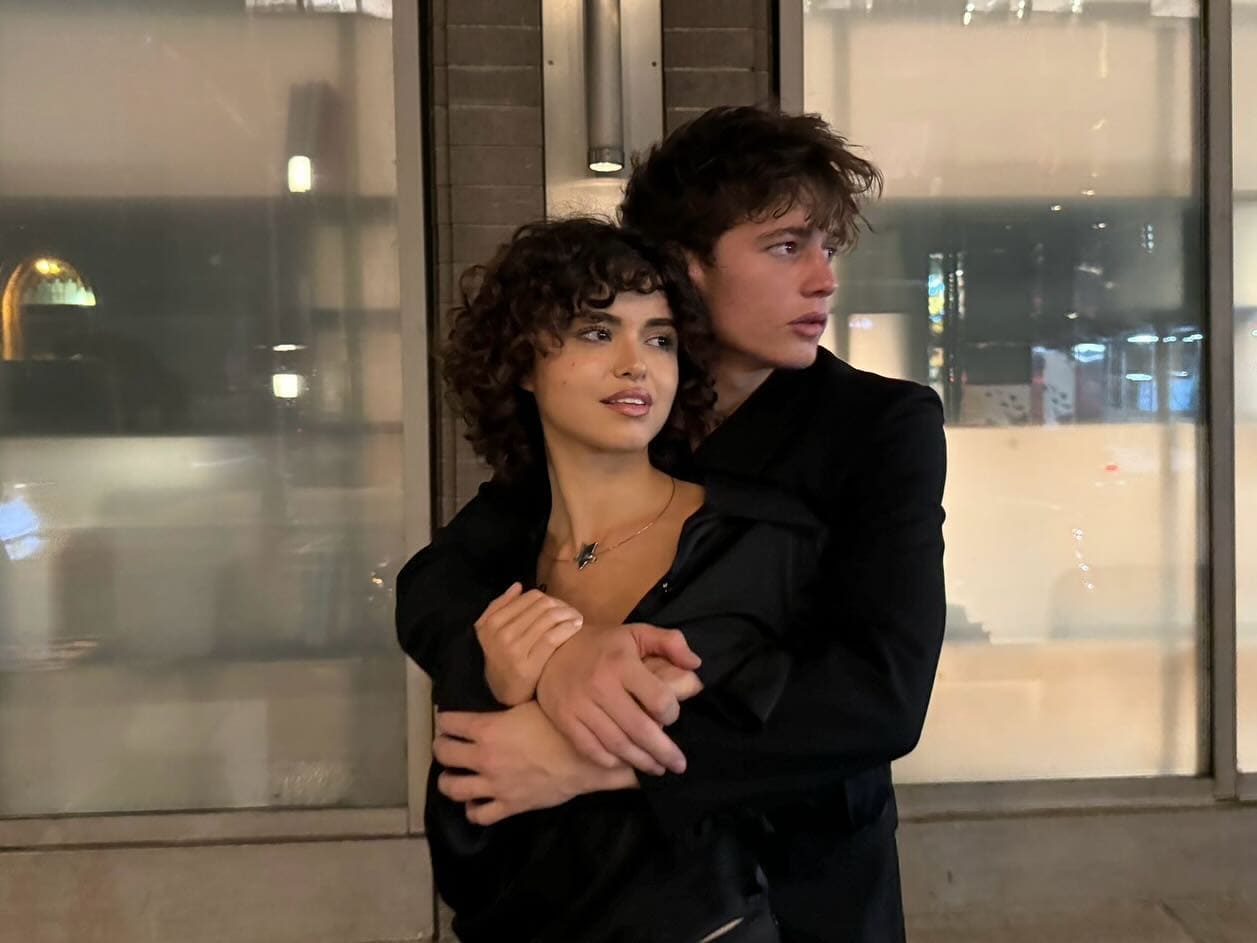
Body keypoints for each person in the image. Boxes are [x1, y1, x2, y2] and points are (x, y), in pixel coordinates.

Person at [398, 105, 948, 943]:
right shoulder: (623, 404)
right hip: (586, 895)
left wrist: (595, 756)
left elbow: (878, 695)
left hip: (803, 885)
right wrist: (557, 657)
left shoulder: (877, 424)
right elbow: (437, 582)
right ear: (687, 266)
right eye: (785, 246)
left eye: (827, 248)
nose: (822, 280)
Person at [418, 216, 828, 943]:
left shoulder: (763, 540)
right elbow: (464, 828)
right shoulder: (493, 568)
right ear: (521, 362)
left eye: (660, 338)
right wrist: (501, 685)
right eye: (597, 331)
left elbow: (817, 774)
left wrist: (603, 750)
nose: (637, 363)